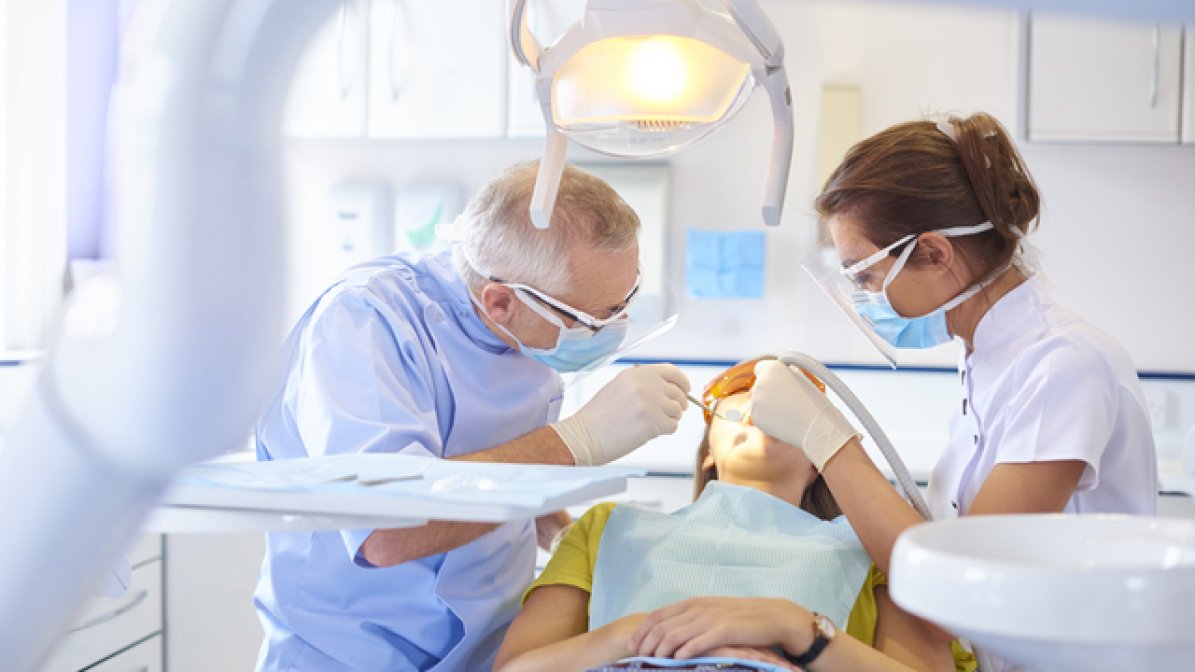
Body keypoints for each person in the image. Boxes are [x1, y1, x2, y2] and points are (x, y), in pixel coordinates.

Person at [747, 112, 1158, 667]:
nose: (863, 298)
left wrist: (828, 438)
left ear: (937, 253)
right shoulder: (986, 357)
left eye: (865, 276)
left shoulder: (1065, 365)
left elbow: (959, 588)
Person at [252, 161, 692, 671]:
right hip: (351, 651)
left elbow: (487, 458)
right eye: (591, 319)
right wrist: (579, 441)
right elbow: (388, 533)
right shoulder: (364, 324)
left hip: (489, 647)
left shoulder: (529, 329)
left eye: (625, 301)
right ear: (501, 301)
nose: (614, 327)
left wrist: (564, 532)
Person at [495, 358, 975, 672]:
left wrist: (795, 627)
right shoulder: (608, 529)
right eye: (740, 407)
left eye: (784, 415)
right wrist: (636, 635)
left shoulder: (872, 548)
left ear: (817, 460)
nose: (759, 414)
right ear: (708, 453)